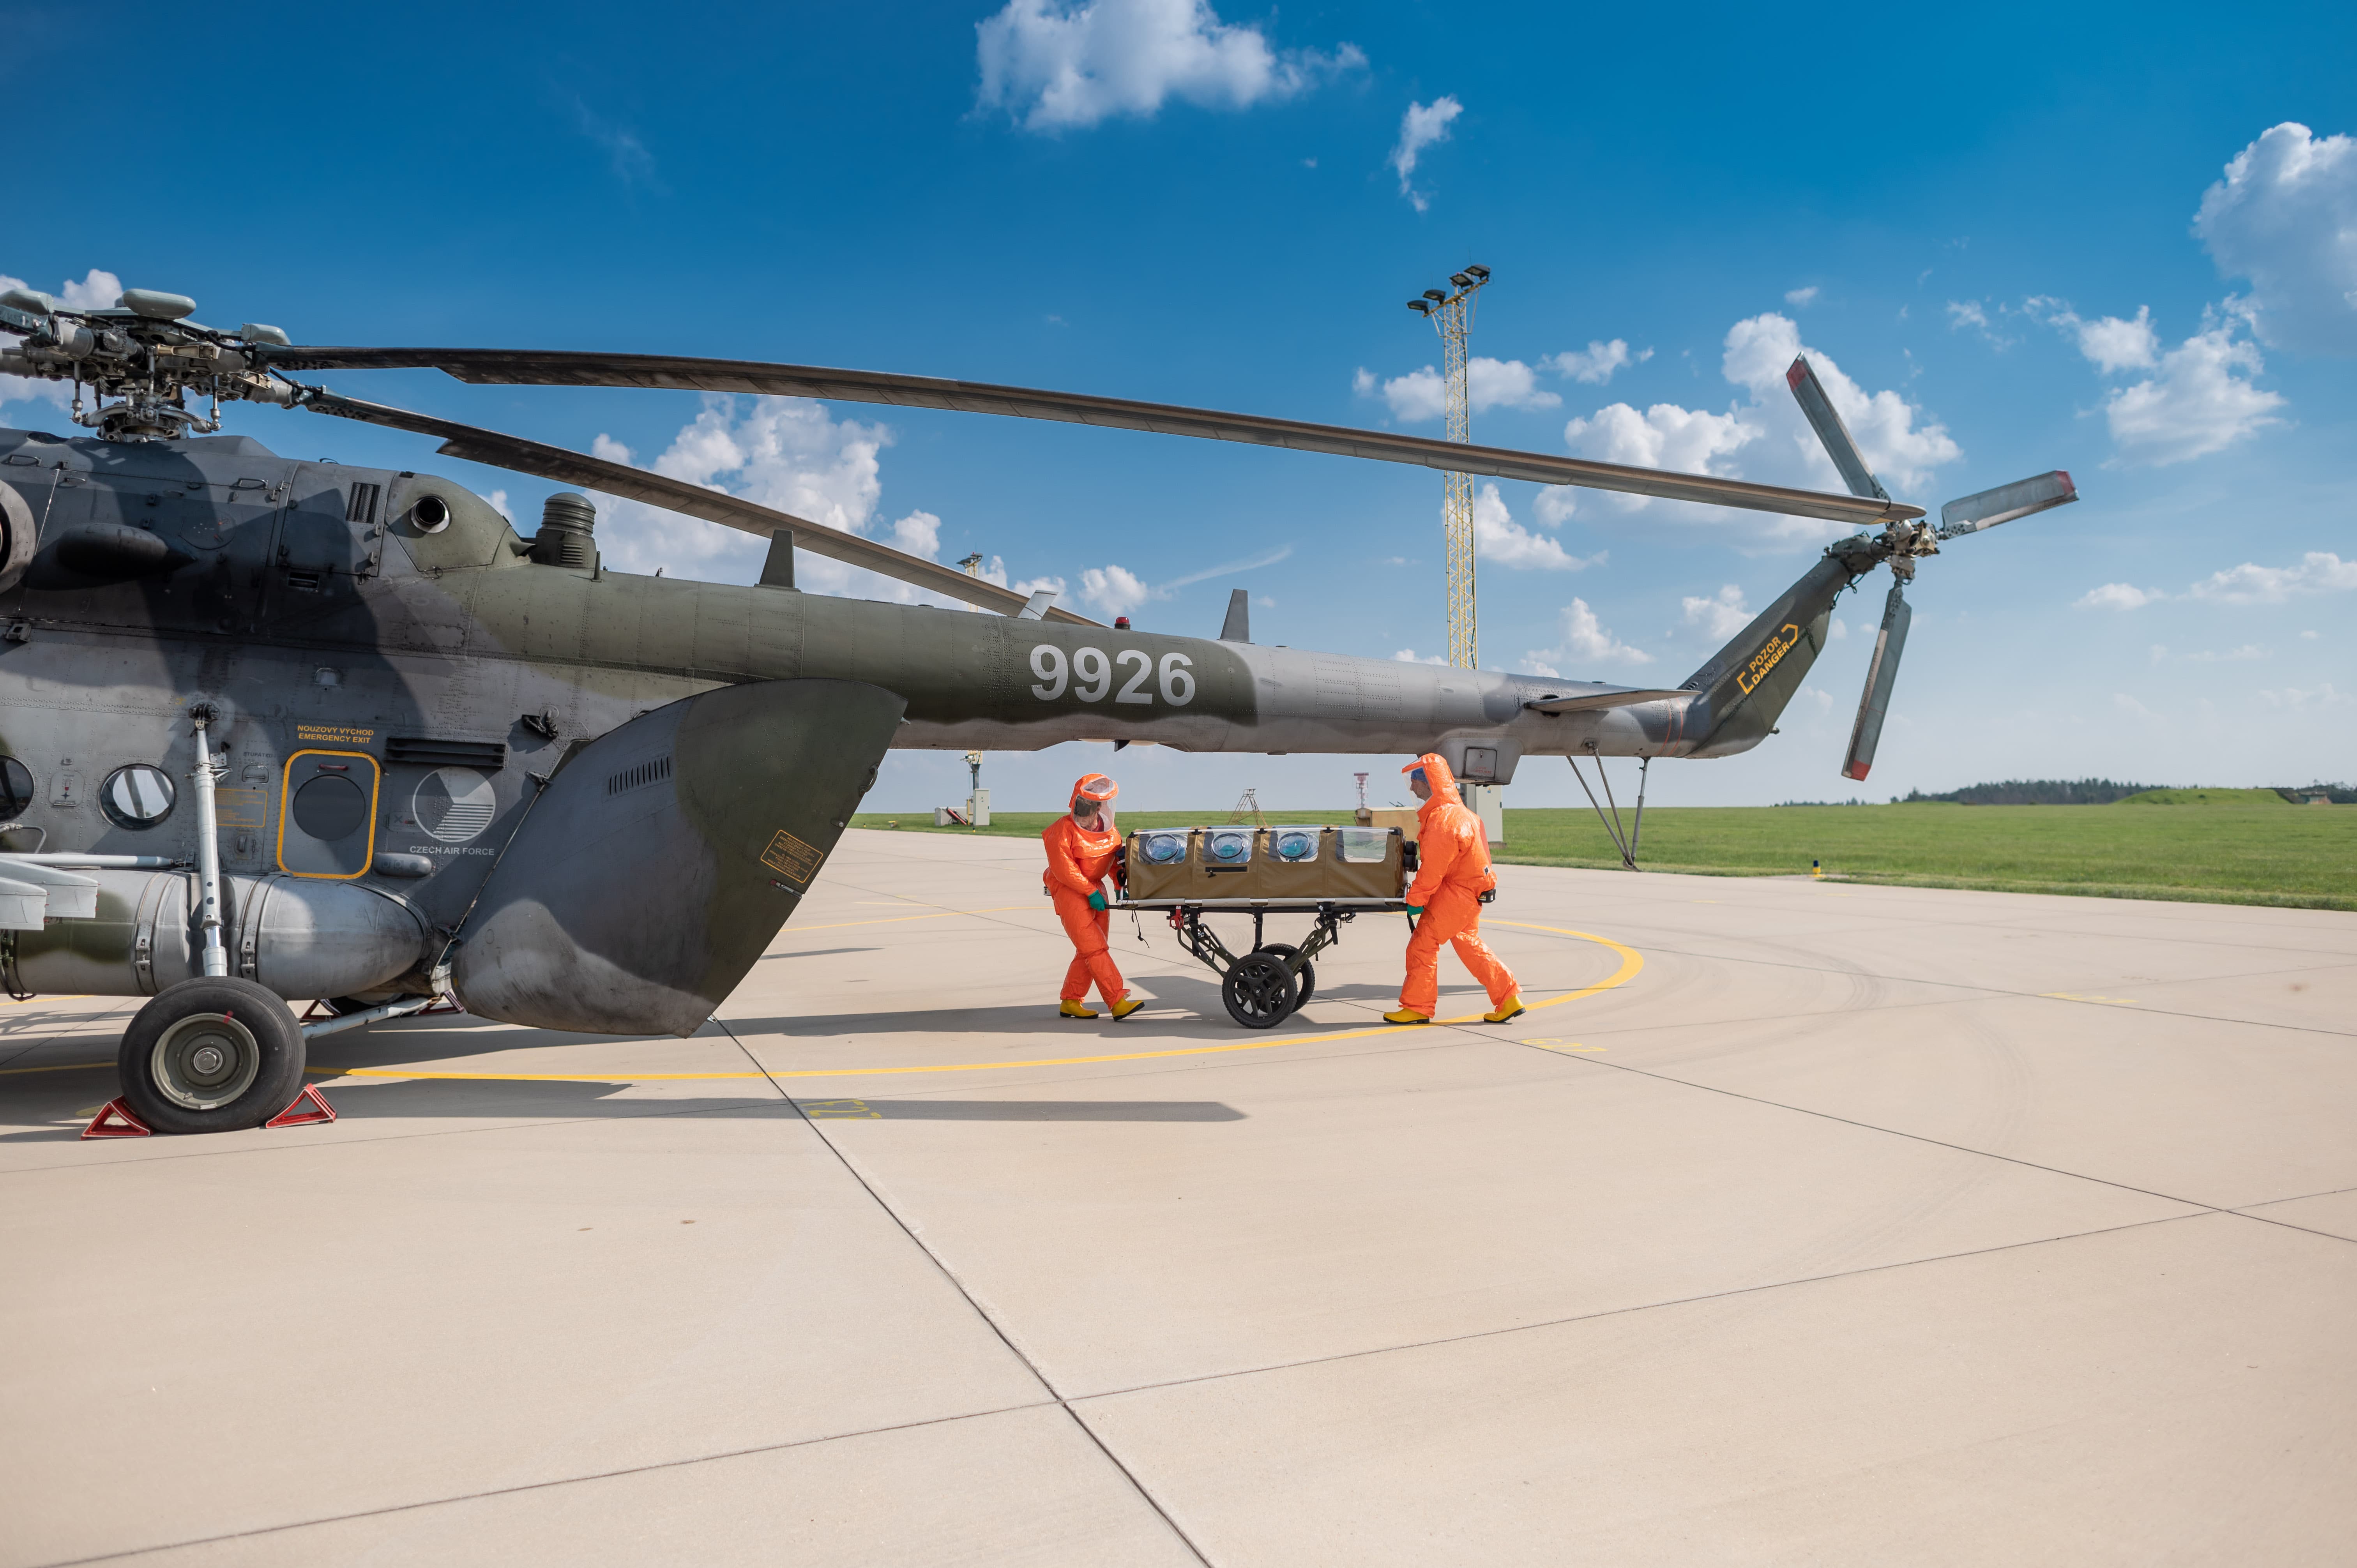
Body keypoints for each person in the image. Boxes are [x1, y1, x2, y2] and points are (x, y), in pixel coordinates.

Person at [1384, 752, 1524, 1025]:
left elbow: (1433, 870)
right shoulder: (1466, 816)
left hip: (1457, 894)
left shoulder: (1444, 820)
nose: (1413, 788)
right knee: (1469, 945)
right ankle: (1508, 998)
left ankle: (1417, 1007)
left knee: (1422, 946)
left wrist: (1416, 900)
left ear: (1432, 783)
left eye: (1416, 781)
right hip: (1472, 893)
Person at [1042, 773, 1143, 1020]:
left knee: (1089, 950)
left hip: (1095, 889)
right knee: (1095, 948)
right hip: (1070, 890)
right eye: (1081, 807)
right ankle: (1117, 1000)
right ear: (1074, 803)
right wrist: (1089, 892)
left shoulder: (1109, 832)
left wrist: (1120, 882)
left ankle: (1071, 1000)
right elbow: (1064, 870)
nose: (1084, 815)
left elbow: (1110, 860)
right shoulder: (1061, 831)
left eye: (1089, 808)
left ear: (1100, 807)